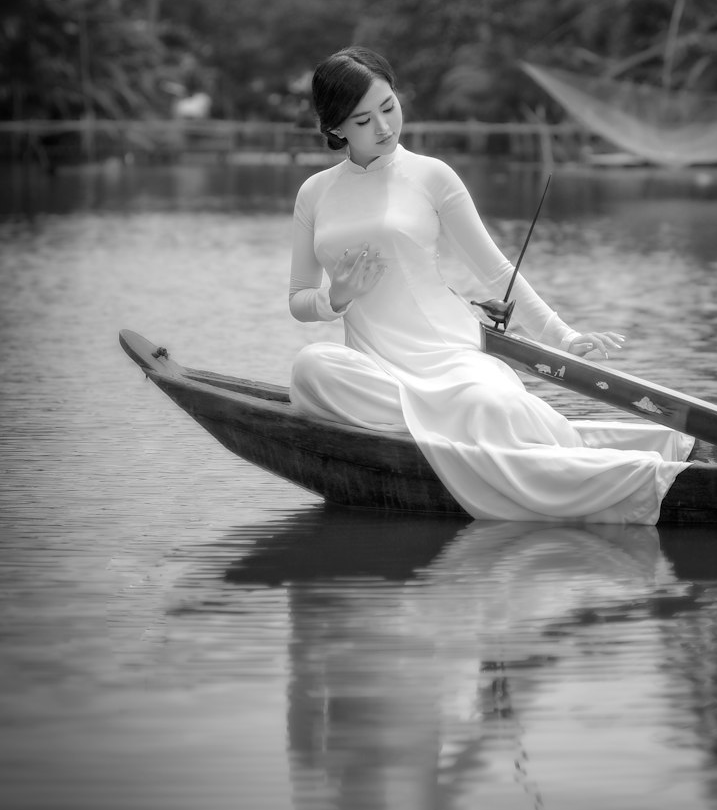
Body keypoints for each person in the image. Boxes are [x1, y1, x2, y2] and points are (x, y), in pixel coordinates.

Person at [288, 46, 692, 524]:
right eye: (362, 120)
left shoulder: (431, 176)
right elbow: (298, 300)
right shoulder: (315, 193)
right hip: (376, 365)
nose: (384, 127)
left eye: (389, 107)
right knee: (311, 368)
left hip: (445, 350)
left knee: (486, 402)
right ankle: (463, 429)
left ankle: (483, 430)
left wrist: (563, 337)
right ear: (335, 128)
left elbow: (498, 272)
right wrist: (337, 297)